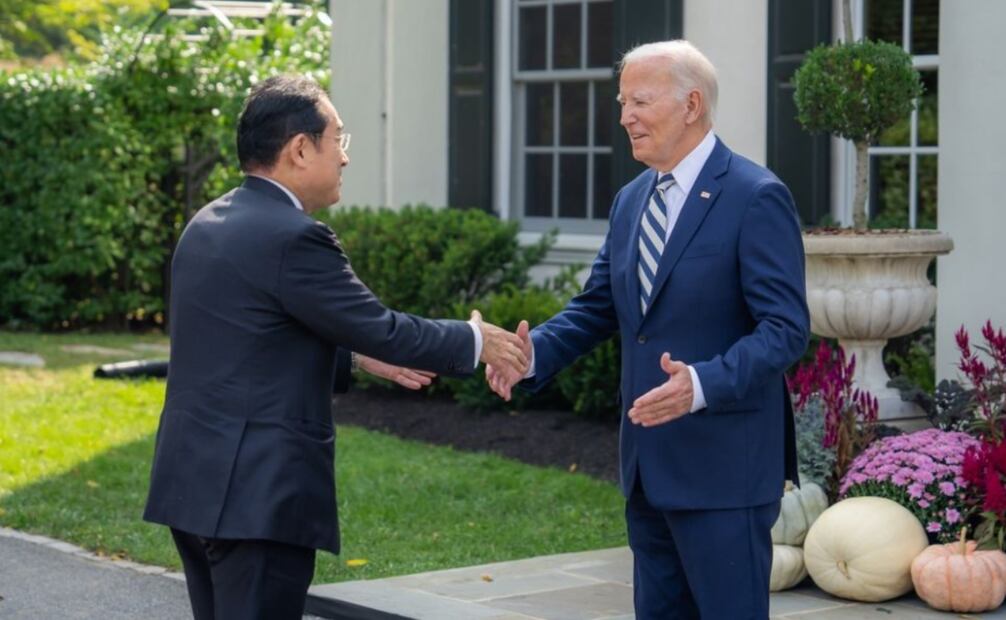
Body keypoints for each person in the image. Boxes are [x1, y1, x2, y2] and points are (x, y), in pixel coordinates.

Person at [143, 75, 528, 620]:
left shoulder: (208, 223)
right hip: (257, 497)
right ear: (300, 149)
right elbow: (383, 326)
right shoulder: (295, 236)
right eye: (338, 140)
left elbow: (247, 338)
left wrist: (356, 357)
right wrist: (475, 339)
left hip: (193, 485)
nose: (345, 158)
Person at [489, 41, 809, 619]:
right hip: (647, 469)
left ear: (691, 105)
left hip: (724, 473)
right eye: (621, 102)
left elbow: (785, 329)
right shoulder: (630, 200)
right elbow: (597, 308)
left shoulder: (756, 196)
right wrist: (530, 355)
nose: (623, 117)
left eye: (639, 101)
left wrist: (702, 384)